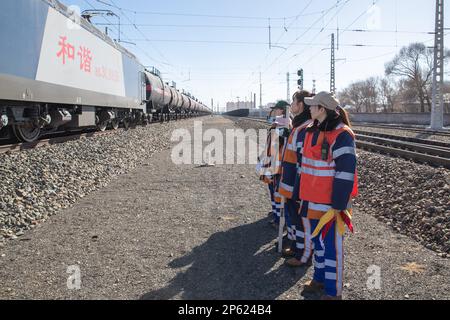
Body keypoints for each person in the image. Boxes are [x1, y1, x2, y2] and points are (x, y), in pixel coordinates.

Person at [298, 91, 358, 300]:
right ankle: (320, 278)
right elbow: (305, 166)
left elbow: (346, 172)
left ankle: (334, 293)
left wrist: (339, 204)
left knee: (333, 248)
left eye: (313, 106)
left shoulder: (342, 134)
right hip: (312, 199)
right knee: (318, 243)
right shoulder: (311, 130)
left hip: (332, 203)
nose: (309, 108)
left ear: (322, 109)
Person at [277, 91, 314, 264]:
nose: (291, 104)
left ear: (300, 105)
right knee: (293, 217)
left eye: (294, 101)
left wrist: (299, 188)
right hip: (290, 181)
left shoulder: (305, 128)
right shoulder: (299, 126)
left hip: (297, 183)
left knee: (300, 219)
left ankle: (302, 254)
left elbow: (302, 161)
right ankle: (295, 246)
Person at [258, 101, 290, 228]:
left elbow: (278, 146)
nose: (273, 112)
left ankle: (279, 220)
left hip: (276, 165)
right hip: (273, 162)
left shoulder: (284, 124)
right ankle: (276, 215)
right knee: (272, 191)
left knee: (276, 193)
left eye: (275, 109)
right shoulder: (278, 123)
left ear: (281, 110)